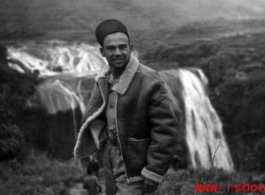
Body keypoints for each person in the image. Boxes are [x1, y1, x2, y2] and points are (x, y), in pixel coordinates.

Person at [74, 19, 179, 195]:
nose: (118, 53)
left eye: (122, 47)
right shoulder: (103, 79)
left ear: (131, 48)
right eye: (111, 48)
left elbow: (166, 128)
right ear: (102, 52)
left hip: (135, 165)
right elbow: (97, 115)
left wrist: (154, 171)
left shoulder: (149, 80)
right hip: (109, 159)